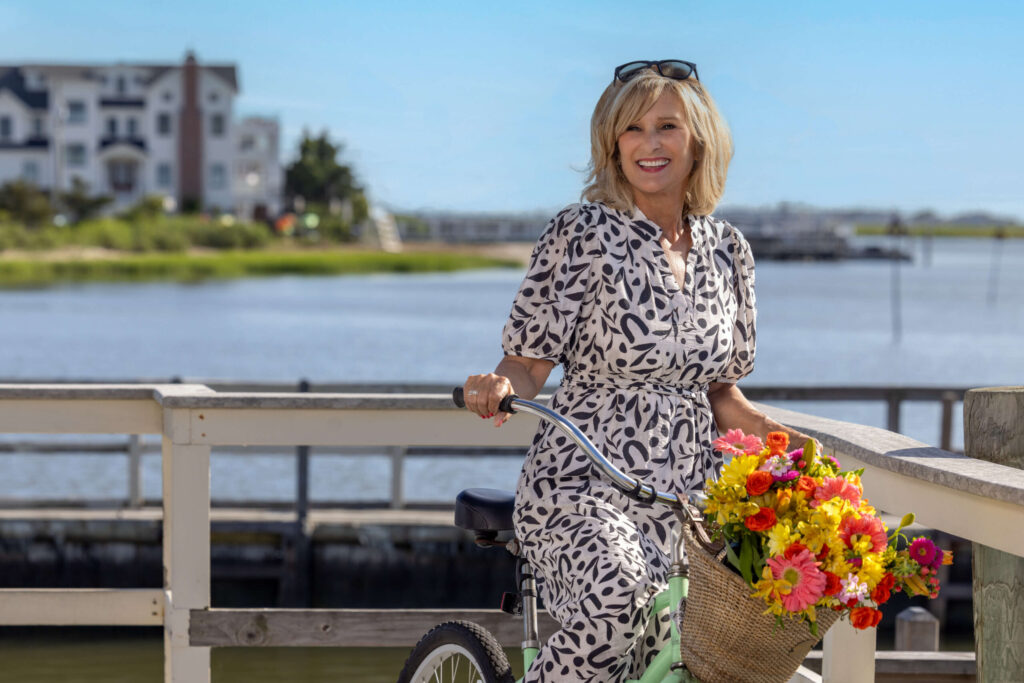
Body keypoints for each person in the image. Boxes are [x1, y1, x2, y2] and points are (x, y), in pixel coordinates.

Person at [461, 60, 813, 682]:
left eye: (667, 126)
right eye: (633, 129)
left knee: (722, 644)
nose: (650, 143)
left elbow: (719, 390)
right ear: (612, 145)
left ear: (697, 139)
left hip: (690, 498)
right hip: (584, 485)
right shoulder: (582, 232)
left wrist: (778, 439)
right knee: (616, 605)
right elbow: (529, 361)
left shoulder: (728, 251)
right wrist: (498, 385)